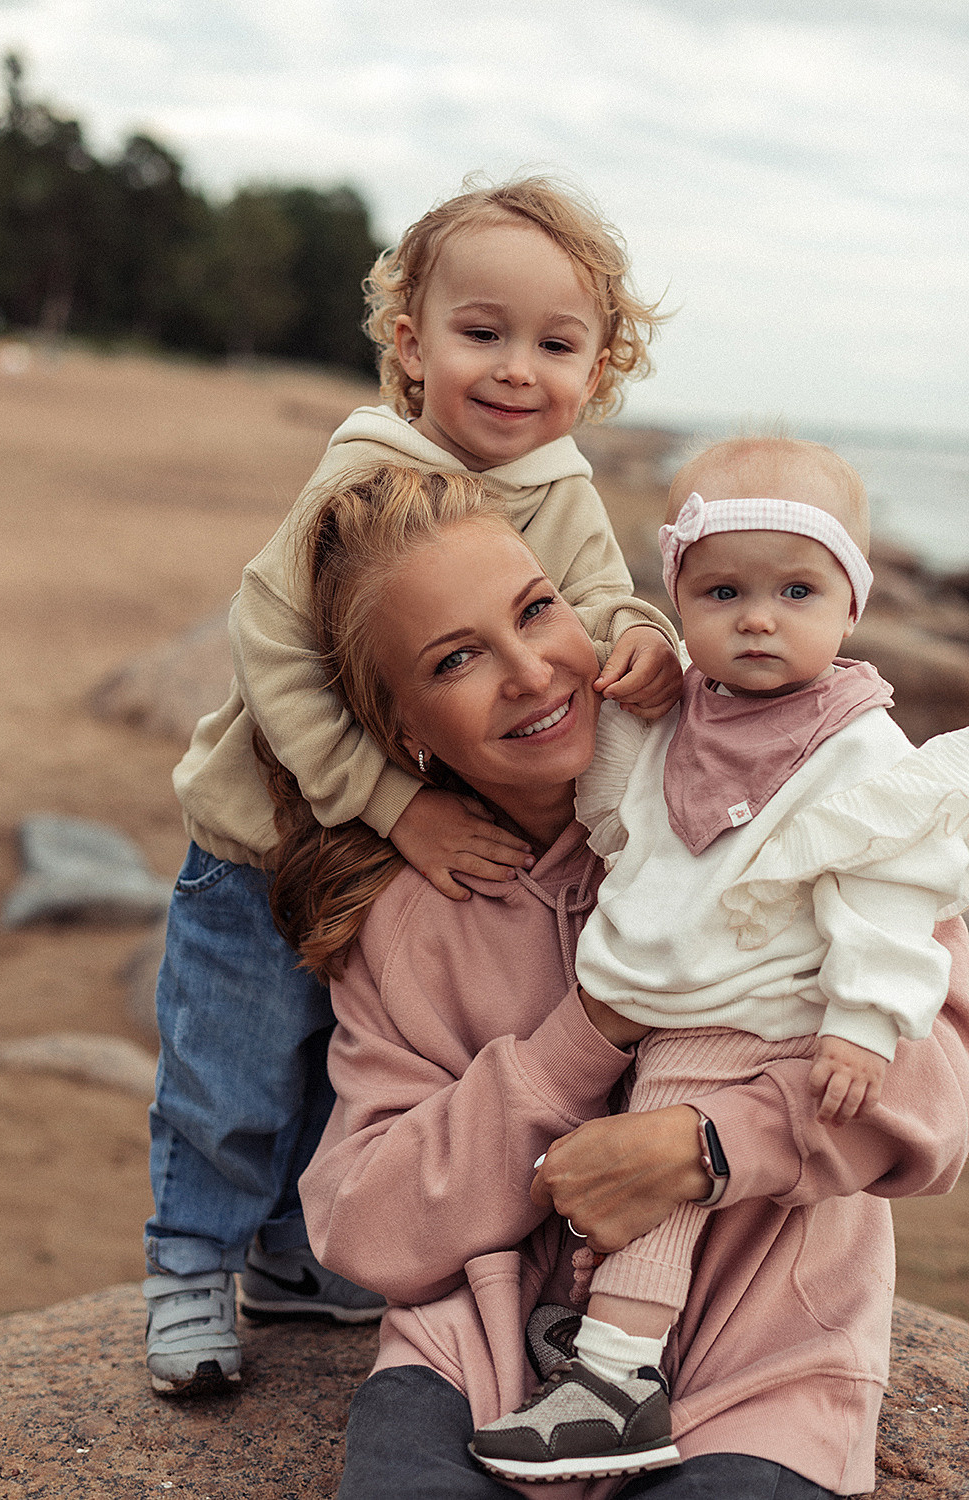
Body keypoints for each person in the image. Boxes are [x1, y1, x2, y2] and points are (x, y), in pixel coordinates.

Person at [258, 462, 969, 1498]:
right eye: (456, 659)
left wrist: (702, 1147)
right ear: (405, 728)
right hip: (481, 1358)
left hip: (757, 1361)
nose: (533, 672)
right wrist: (588, 1031)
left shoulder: (810, 794)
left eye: (537, 611)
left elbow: (935, 1096)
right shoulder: (408, 919)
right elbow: (365, 1221)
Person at [143, 174, 683, 1393]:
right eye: (479, 333)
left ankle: (289, 1254)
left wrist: (639, 634)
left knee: (348, 1058)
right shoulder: (363, 474)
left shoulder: (559, 488)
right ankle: (187, 1261)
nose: (513, 370)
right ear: (409, 342)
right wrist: (394, 803)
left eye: (554, 344)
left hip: (379, 862)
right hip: (259, 845)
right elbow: (271, 651)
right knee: (231, 1070)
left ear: (597, 370)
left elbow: (595, 603)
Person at [471, 435, 969, 1483]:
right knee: (626, 1159)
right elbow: (618, 797)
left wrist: (863, 1021)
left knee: (659, 1181)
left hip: (754, 1013)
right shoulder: (686, 711)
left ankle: (616, 1376)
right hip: (673, 998)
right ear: (679, 596)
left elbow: (889, 888)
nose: (756, 617)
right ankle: (608, 1328)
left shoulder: (854, 747)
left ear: (850, 605)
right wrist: (636, 666)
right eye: (721, 590)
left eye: (795, 589)